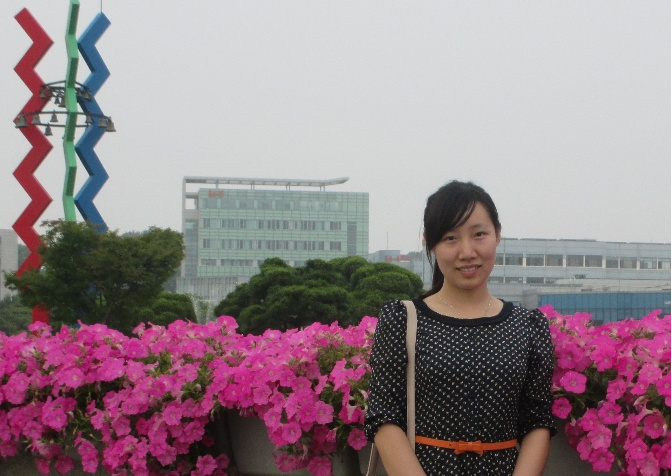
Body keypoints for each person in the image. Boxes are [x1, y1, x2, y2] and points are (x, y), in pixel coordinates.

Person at [364, 180, 556, 476]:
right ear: (430, 243)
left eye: (479, 234)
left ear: (497, 234)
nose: (467, 252)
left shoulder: (527, 325)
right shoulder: (402, 319)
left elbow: (537, 421)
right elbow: (384, 415)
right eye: (450, 238)